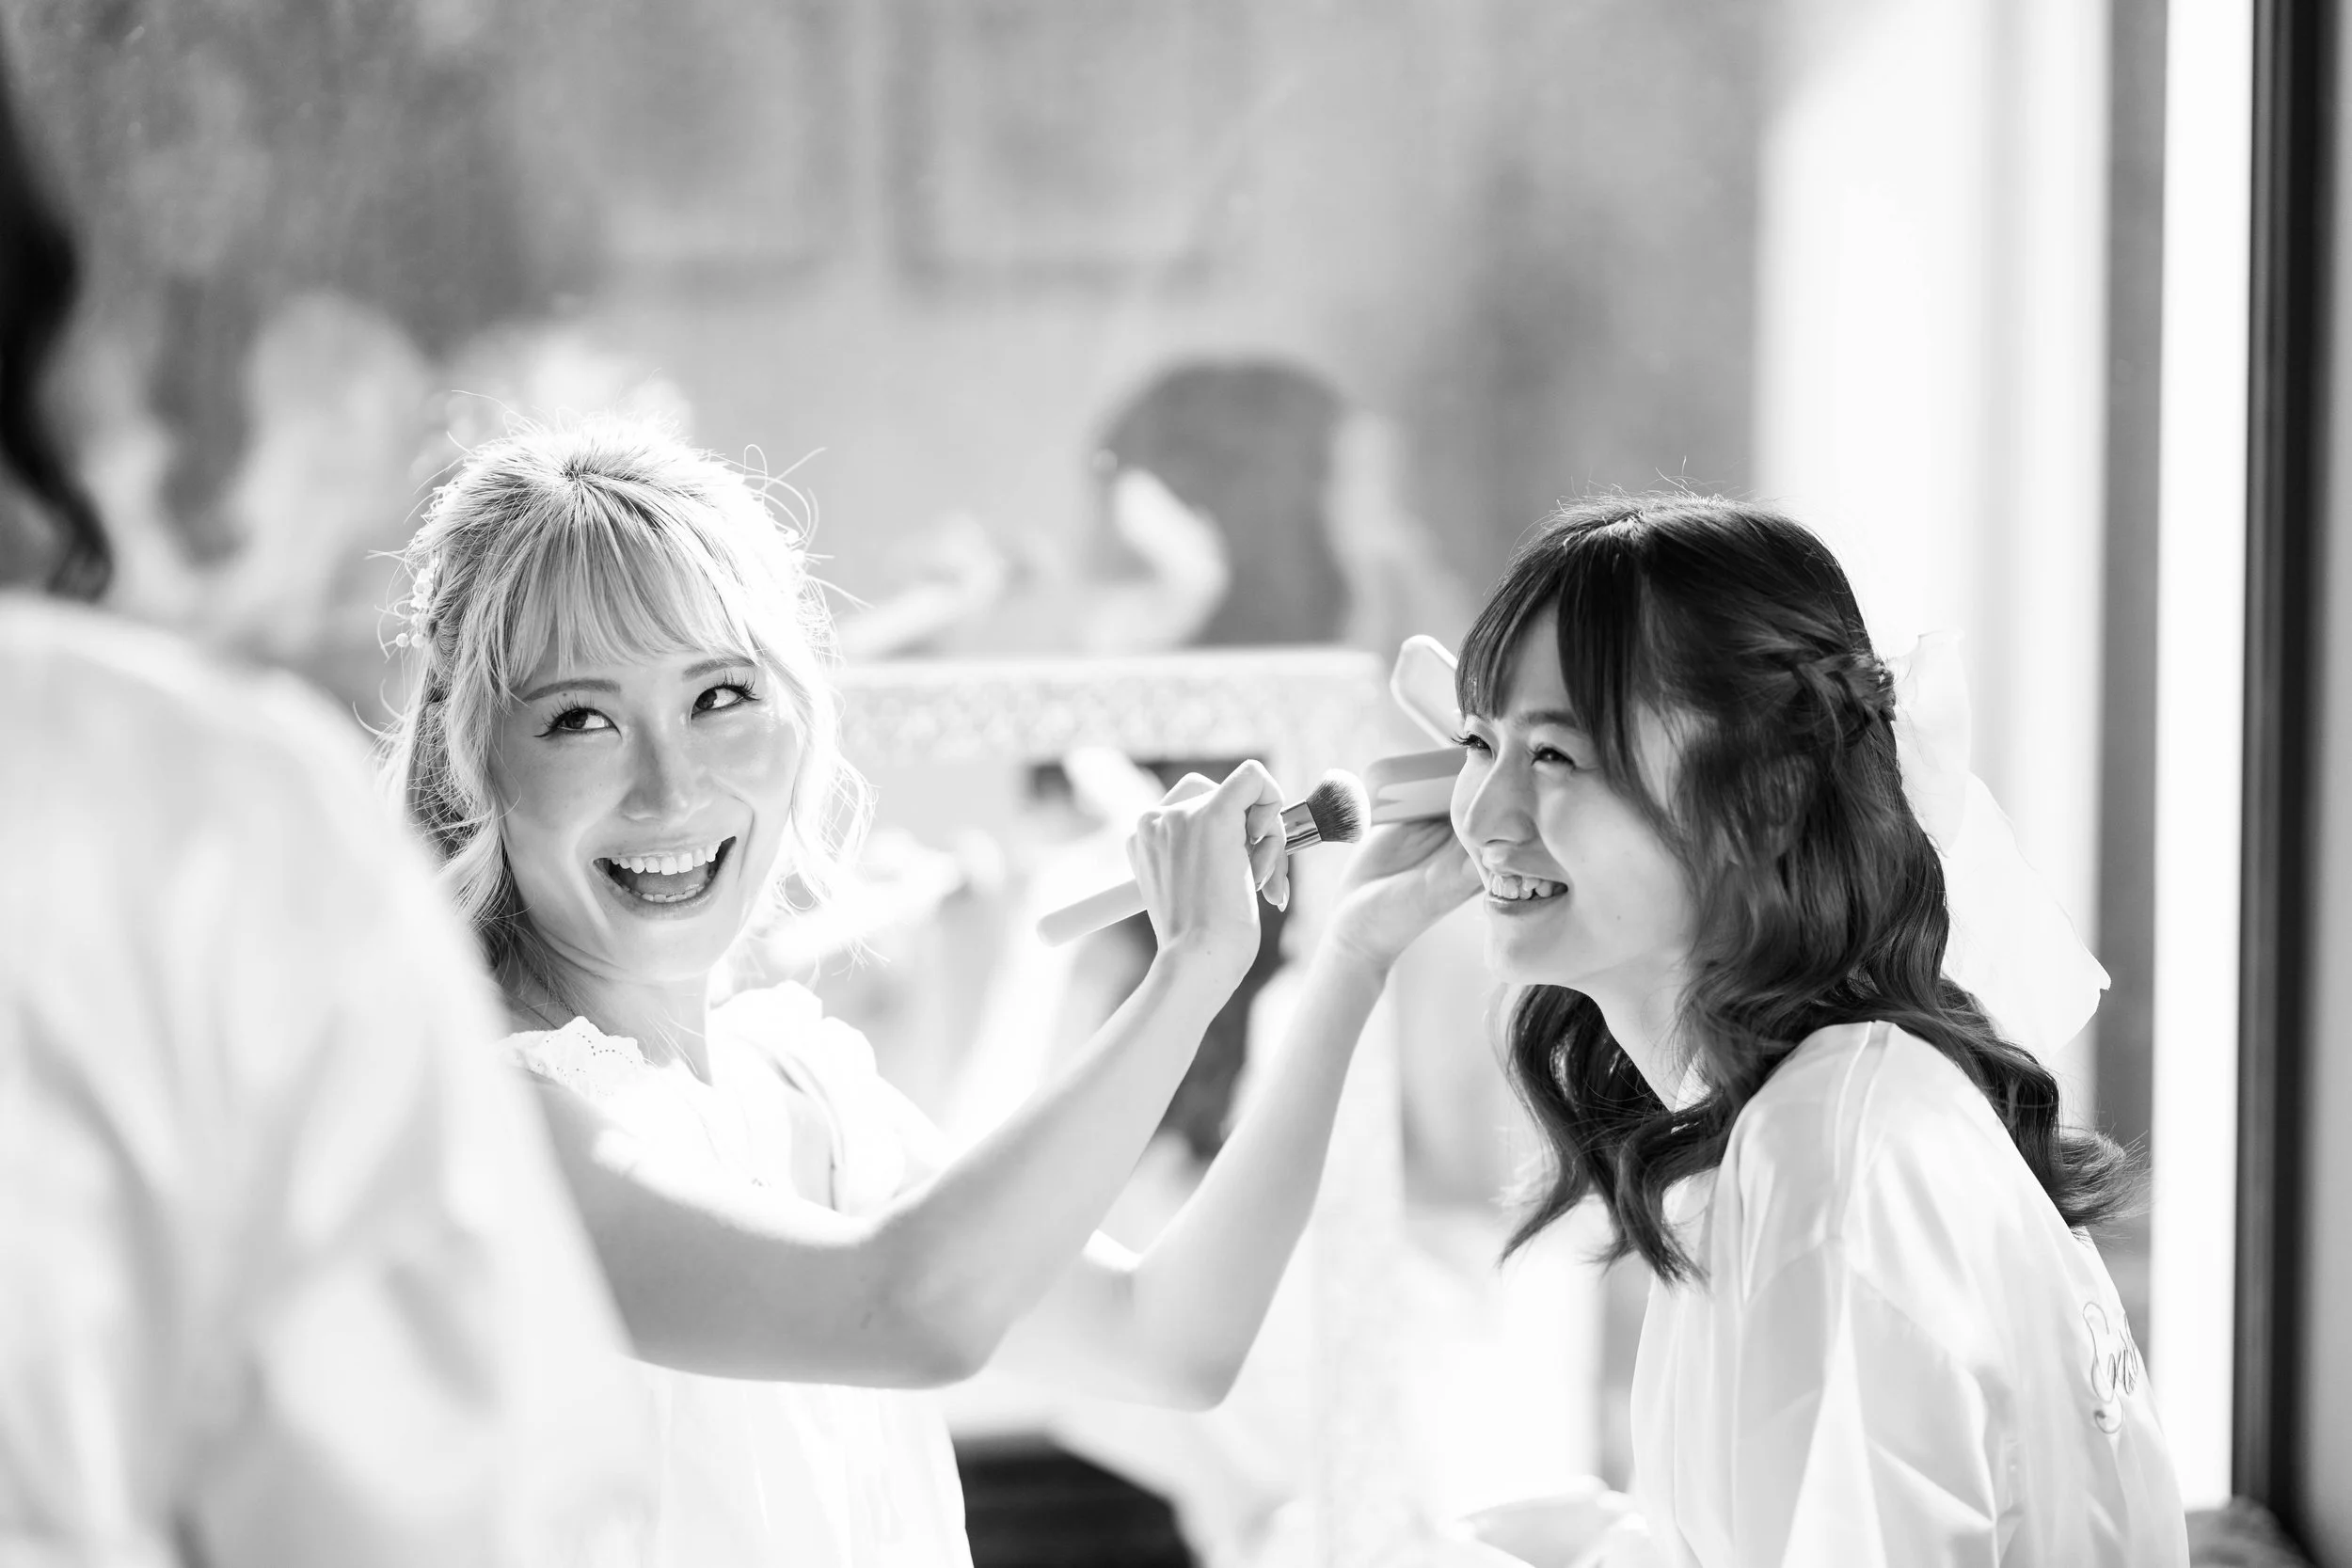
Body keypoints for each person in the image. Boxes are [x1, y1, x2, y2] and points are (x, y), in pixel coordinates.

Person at [379, 415, 1470, 1567]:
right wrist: (1182, 978)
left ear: (799, 715)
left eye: (719, 697)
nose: (670, 788)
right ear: (473, 755)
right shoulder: (500, 1124)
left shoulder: (803, 1086)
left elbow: (1169, 1341)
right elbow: (914, 1311)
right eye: (580, 719)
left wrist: (1349, 958)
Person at [0, 33, 653, 1566]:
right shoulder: (177, 810)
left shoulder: (334, 377)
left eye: (212, 135)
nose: (183, 177)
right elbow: (460, 1512)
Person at [1292, 495, 2190, 1566]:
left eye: (1557, 757)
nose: (1481, 814)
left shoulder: (1835, 1161)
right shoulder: (1805, 1120)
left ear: (1765, 798)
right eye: (1480, 743)